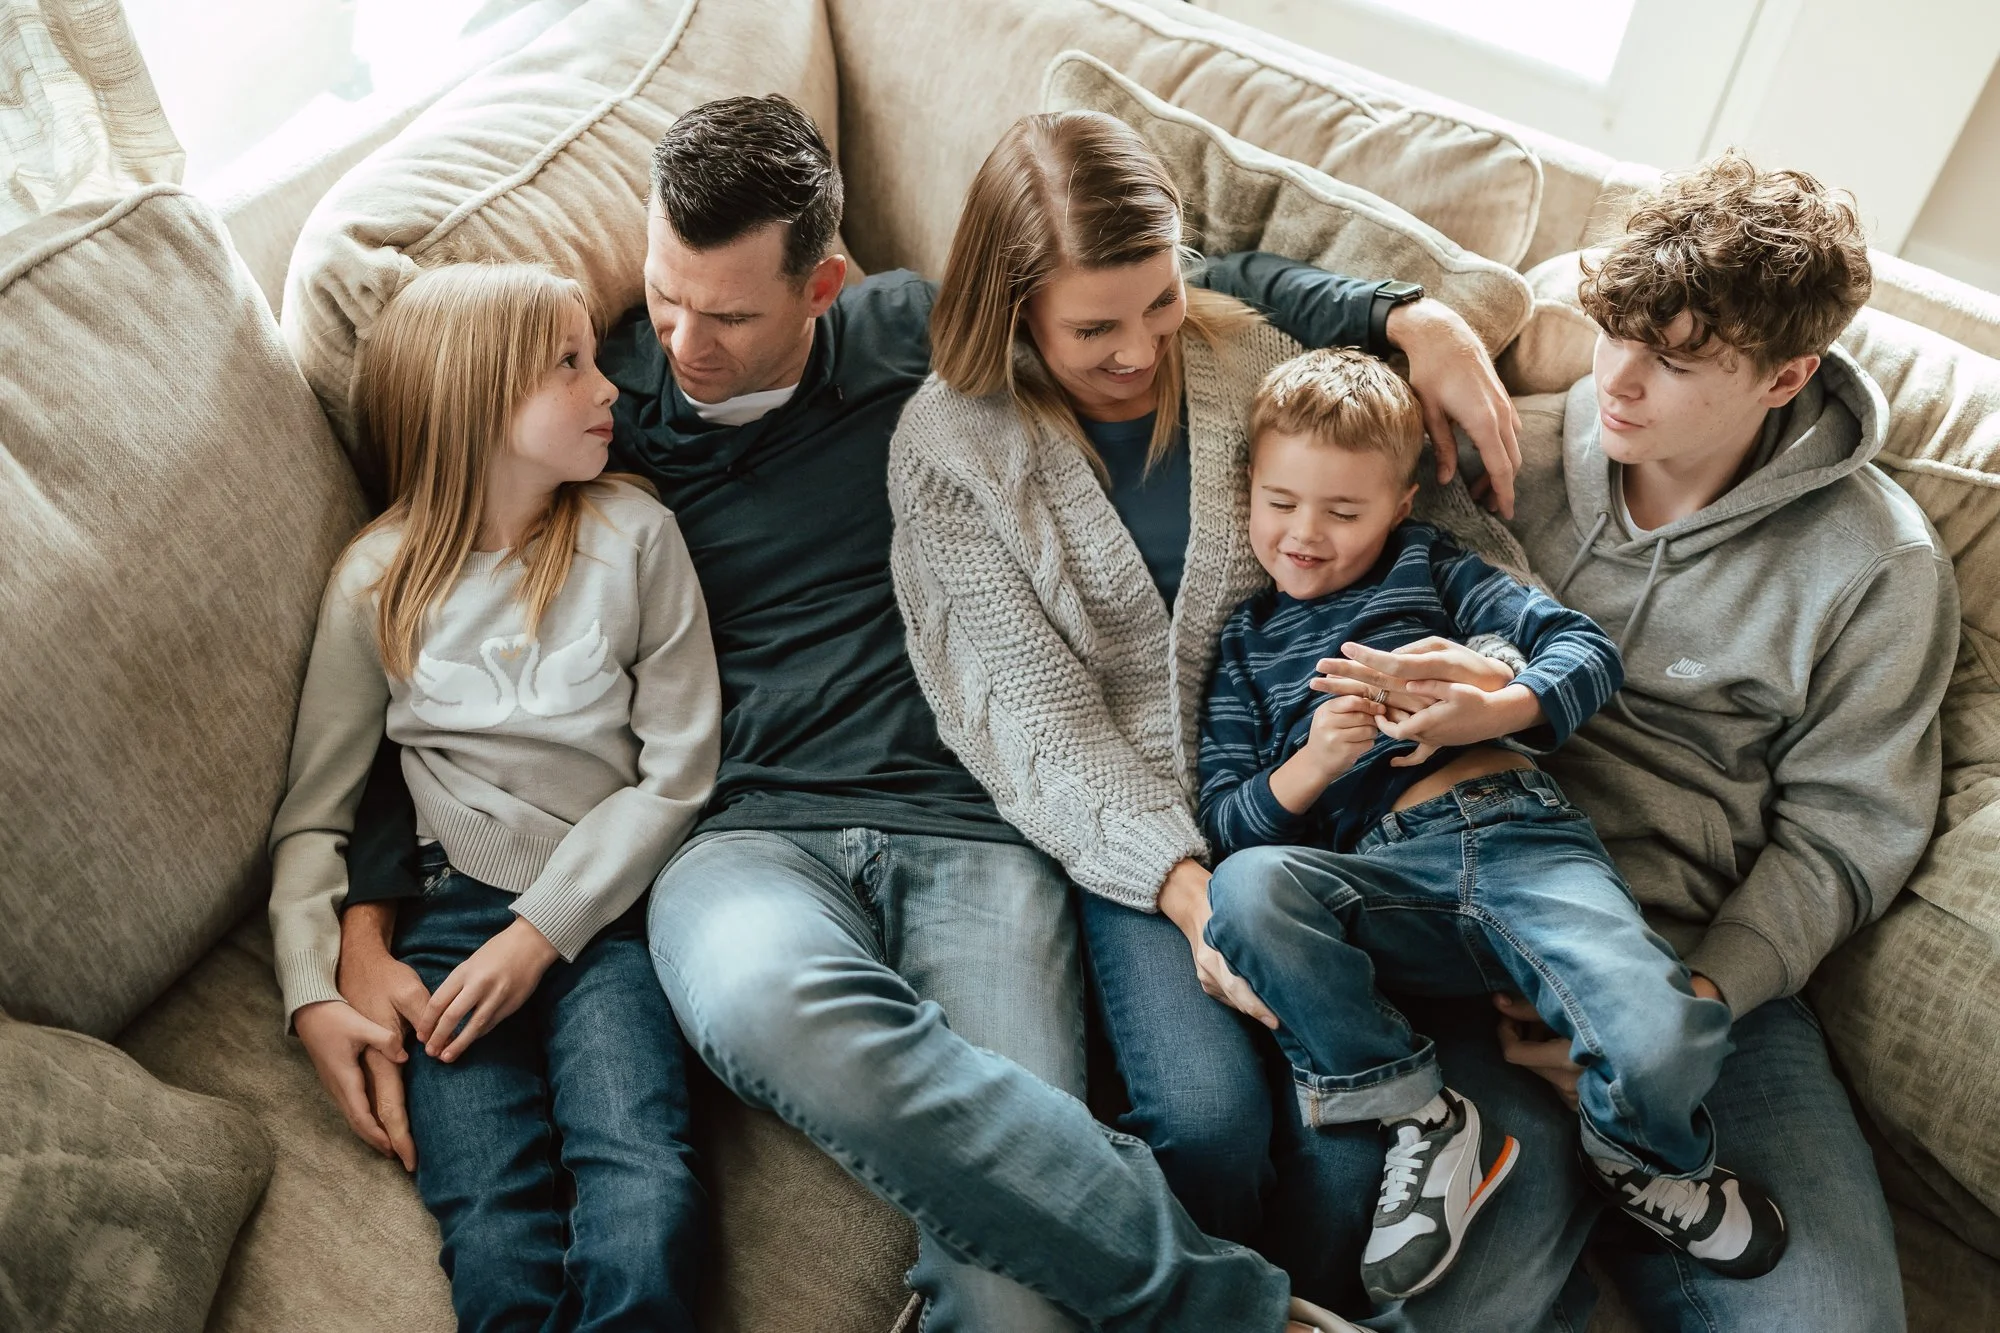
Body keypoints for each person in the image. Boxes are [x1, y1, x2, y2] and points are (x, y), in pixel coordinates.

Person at [888, 109, 1533, 1316]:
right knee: (1208, 1123)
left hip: (1326, 809)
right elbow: (1036, 726)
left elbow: (1435, 542)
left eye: (1159, 303)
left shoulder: (1246, 356)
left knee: (1347, 1159)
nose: (1139, 351)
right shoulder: (950, 449)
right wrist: (1190, 901)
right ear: (1013, 311)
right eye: (1094, 329)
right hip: (1140, 836)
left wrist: (1484, 671)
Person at [1323, 153, 1959, 1331]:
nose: (1616, 376)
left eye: (1672, 360)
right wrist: (1409, 320)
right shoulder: (1494, 455)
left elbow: (1847, 830)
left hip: (1701, 974)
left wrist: (1691, 1007)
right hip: (1483, 933)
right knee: (1445, 1305)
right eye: (1614, 331)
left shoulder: (1877, 562)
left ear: (1785, 377)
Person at [1198, 345, 1789, 1308]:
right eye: (1280, 501)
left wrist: (1492, 705)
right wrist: (1313, 763)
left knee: (1665, 1033)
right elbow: (1227, 820)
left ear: (1399, 507)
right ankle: (1418, 1113)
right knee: (1246, 890)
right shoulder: (1245, 643)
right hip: (1385, 887)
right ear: (1250, 490)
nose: (1304, 534)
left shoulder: (1431, 565)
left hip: (1523, 841)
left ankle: (1640, 1159)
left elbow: (1582, 650)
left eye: (1343, 511)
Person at [268, 263, 721, 1331]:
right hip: (442, 930)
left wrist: (541, 932)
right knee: (489, 1221)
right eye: (569, 364)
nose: (610, 386)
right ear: (476, 402)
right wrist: (313, 988)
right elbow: (316, 815)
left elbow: (678, 772)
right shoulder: (374, 582)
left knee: (644, 1181)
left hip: (602, 920)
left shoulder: (635, 537)